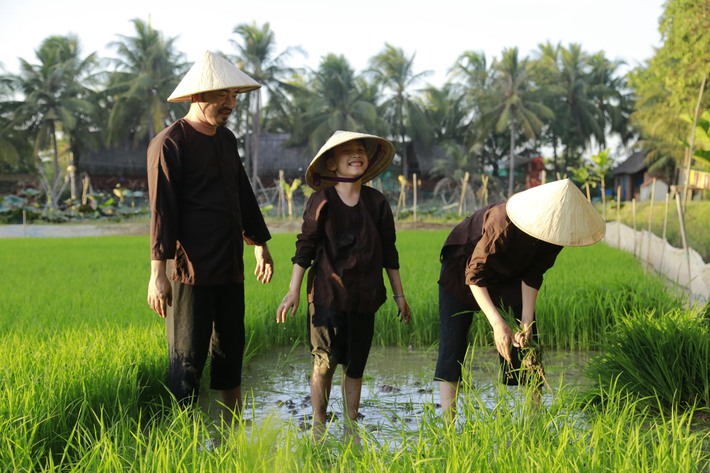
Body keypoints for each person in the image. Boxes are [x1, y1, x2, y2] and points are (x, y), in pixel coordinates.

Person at [146, 50, 274, 417]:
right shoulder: (170, 143)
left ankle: (228, 437)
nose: (231, 103)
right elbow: (161, 212)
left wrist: (259, 245)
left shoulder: (226, 139)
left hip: (229, 266)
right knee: (187, 359)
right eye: (223, 95)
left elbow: (242, 194)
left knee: (230, 353)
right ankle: (181, 440)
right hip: (191, 271)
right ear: (198, 96)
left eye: (234, 96)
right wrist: (157, 275)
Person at [276, 130, 412, 439]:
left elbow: (390, 252)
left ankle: (352, 424)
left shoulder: (377, 202)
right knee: (324, 362)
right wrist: (293, 290)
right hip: (327, 297)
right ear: (332, 164)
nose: (357, 154)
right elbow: (305, 248)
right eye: (347, 151)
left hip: (366, 297)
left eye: (361, 150)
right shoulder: (321, 201)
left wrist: (399, 294)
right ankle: (318, 424)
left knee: (355, 366)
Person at [435, 178, 605, 418]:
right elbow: (474, 274)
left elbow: (533, 273)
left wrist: (526, 321)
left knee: (528, 341)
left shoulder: (556, 236)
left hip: (508, 275)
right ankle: (448, 423)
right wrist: (497, 323)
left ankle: (532, 418)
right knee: (453, 342)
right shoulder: (501, 222)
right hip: (463, 267)